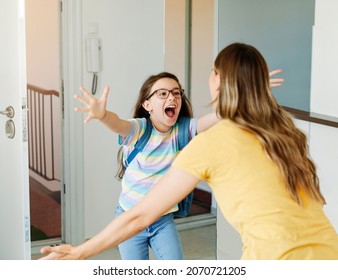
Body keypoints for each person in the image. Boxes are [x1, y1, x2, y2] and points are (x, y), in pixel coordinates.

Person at [39, 44, 312, 260]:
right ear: (147, 104)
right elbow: (118, 124)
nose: (172, 98)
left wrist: (249, 87)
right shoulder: (140, 129)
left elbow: (218, 116)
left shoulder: (184, 130)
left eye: (177, 93)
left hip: (161, 220)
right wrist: (101, 115)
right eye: (162, 94)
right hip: (128, 217)